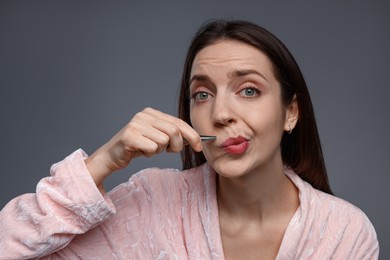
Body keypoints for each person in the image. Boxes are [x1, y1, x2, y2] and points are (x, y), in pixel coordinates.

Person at [0, 19, 379, 259]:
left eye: (248, 90)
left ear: (291, 113)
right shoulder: (152, 201)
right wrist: (102, 162)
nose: (220, 114)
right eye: (202, 94)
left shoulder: (344, 232)